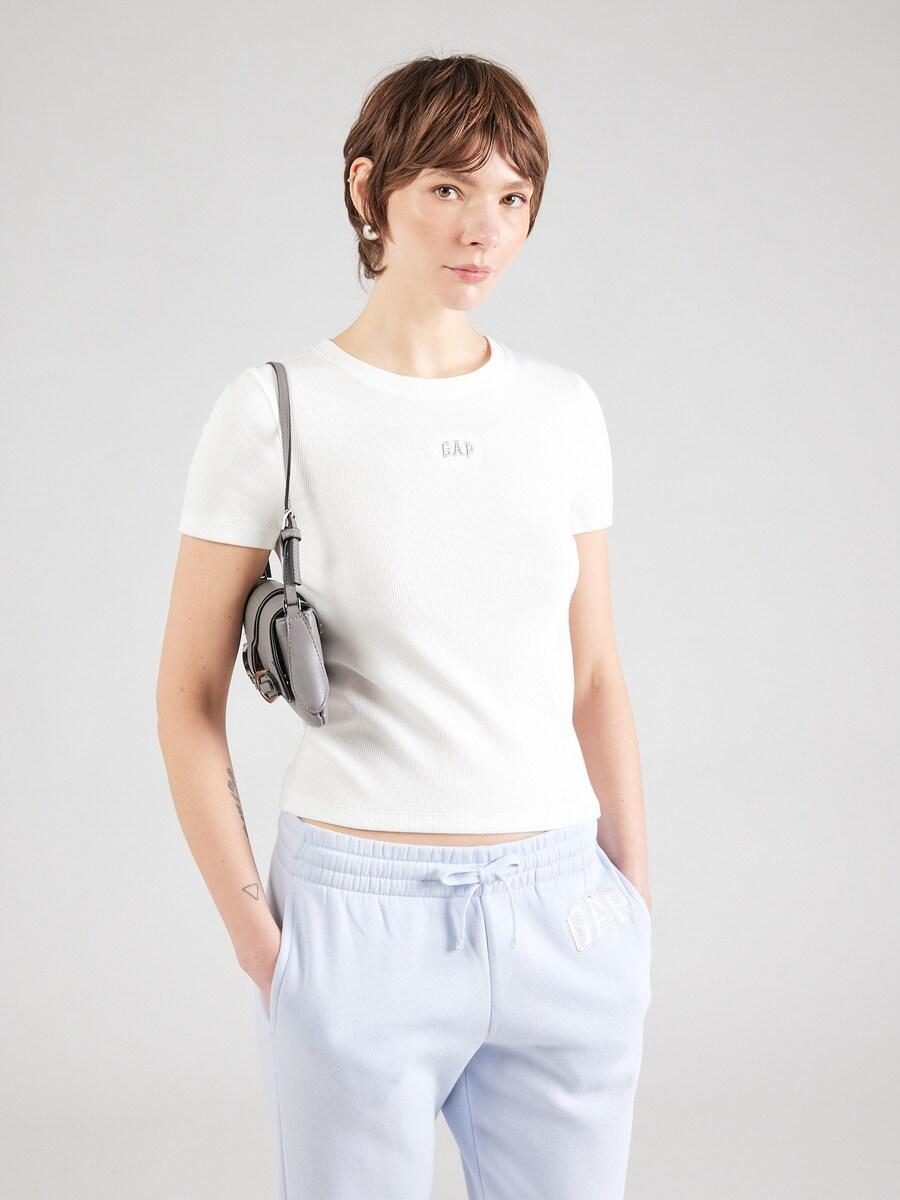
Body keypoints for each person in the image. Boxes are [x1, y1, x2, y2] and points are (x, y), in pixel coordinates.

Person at [157, 53, 652, 1200]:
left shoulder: (563, 411)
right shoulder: (273, 411)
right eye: (447, 188)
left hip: (565, 911)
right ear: (367, 188)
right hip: (357, 916)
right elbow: (185, 697)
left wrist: (628, 902)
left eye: (513, 196)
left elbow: (592, 674)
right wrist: (259, 940)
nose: (485, 228)